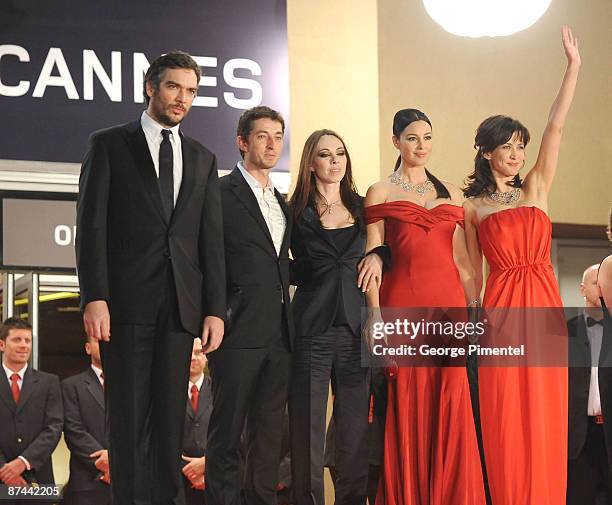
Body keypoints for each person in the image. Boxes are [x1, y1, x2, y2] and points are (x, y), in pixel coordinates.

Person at [76, 51, 226, 505]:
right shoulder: (109, 144)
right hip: (124, 306)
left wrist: (215, 308)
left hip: (180, 309)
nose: (183, 98)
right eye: (174, 87)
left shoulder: (202, 157)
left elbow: (209, 241)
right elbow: (91, 226)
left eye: (192, 91)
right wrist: (94, 296)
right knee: (127, 419)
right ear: (150, 87)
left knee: (168, 422)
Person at [463, 26, 580, 505]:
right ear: (488, 150)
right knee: (506, 412)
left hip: (544, 307)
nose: (516, 155)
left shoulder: (536, 189)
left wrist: (573, 69)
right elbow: (471, 271)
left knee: (545, 410)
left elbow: (555, 127)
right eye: (507, 146)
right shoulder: (471, 208)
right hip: (502, 312)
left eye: (519, 146)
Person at [364, 109, 485, 505]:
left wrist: (475, 309)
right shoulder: (379, 191)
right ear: (396, 141)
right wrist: (375, 317)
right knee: (409, 407)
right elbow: (372, 258)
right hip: (401, 308)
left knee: (452, 404)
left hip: (448, 308)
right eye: (413, 137)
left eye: (428, 137)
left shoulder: (452, 192)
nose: (421, 146)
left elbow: (465, 262)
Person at [288, 129, 384, 505]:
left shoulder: (364, 208)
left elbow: (381, 253)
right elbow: (282, 266)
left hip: (356, 328)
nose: (335, 161)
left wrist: (375, 313)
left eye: (340, 153)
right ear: (311, 163)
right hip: (310, 328)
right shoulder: (294, 209)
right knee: (307, 432)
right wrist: (311, 271)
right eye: (326, 155)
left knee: (354, 434)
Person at [205, 106, 293, 505]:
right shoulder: (218, 194)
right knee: (226, 435)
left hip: (281, 336)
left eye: (278, 135)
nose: (272, 144)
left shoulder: (283, 200)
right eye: (262, 136)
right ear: (242, 142)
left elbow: (283, 266)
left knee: (269, 437)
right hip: (235, 331)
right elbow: (204, 261)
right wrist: (213, 315)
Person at [0, 317, 63, 505]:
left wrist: (23, 462)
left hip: (39, 480)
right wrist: (5, 471)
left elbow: (54, 427)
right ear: (2, 344)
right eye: (17, 340)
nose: (24, 345)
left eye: (28, 340)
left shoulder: (49, 382)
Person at [567, 265, 611, 504]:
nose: (602, 287)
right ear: (582, 289)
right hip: (577, 438)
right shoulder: (564, 332)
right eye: (596, 282)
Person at [62, 333, 110, 505]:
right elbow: (74, 430)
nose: (105, 346)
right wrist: (105, 461)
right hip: (87, 483)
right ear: (88, 348)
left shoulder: (133, 385)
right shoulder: (71, 386)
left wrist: (117, 460)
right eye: (98, 342)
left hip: (127, 480)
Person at [181, 338, 213, 505]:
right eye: (188, 353)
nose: (193, 358)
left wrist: (207, 464)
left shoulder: (218, 390)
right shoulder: (168, 393)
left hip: (213, 479)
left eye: (198, 352)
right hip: (178, 480)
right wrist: (188, 470)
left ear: (206, 356)